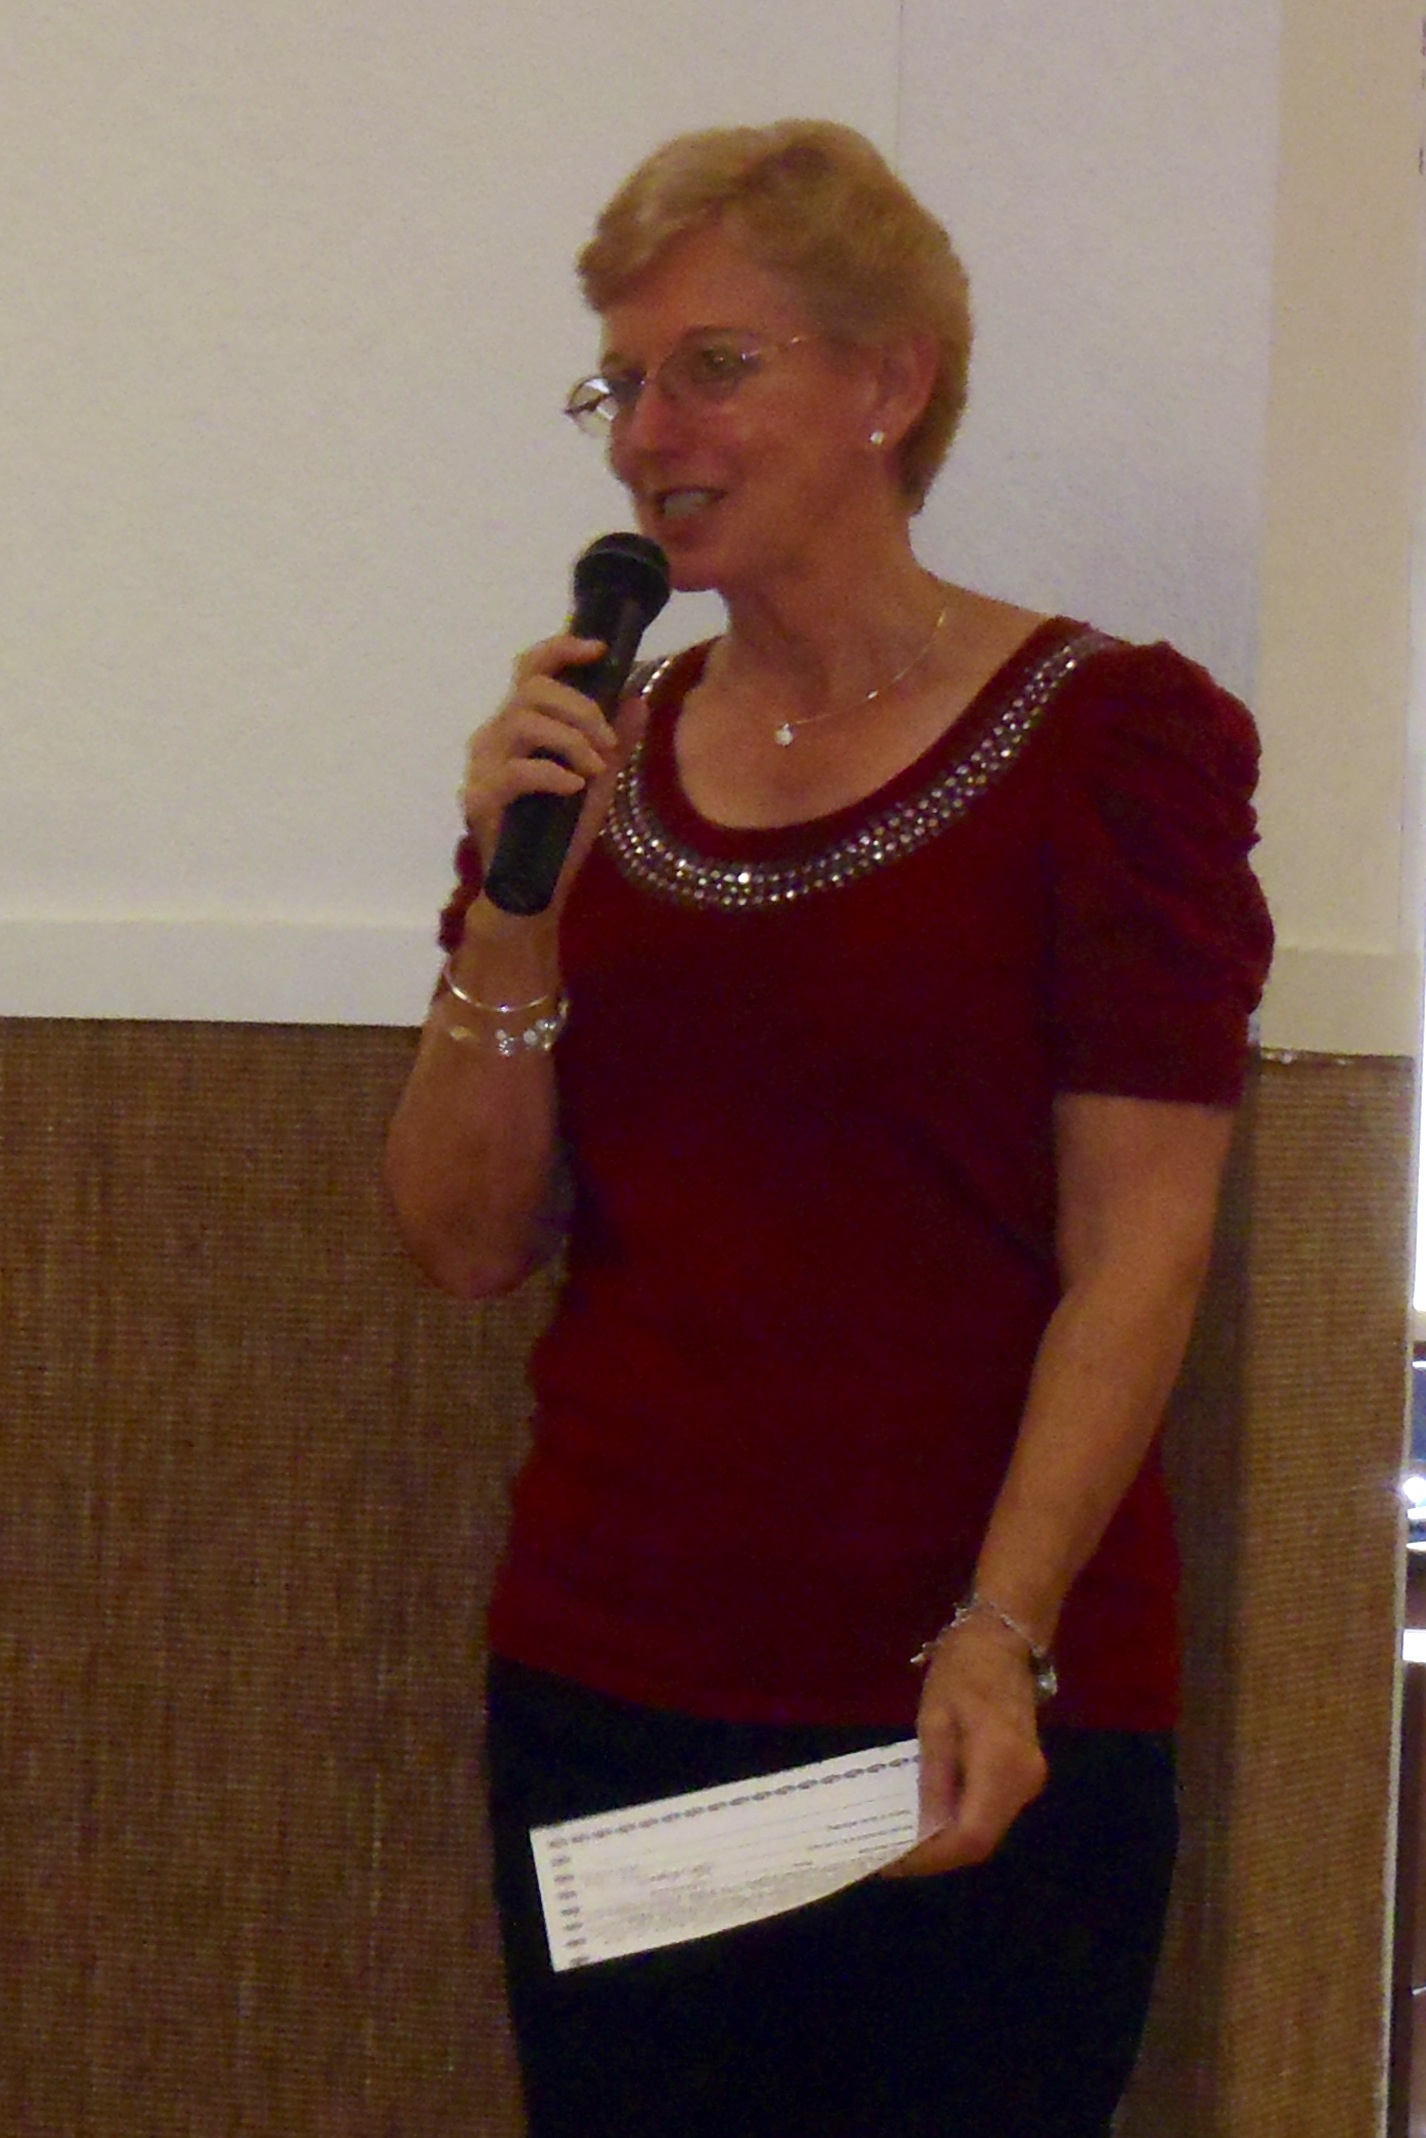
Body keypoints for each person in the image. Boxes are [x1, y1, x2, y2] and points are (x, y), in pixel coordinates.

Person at [384, 119, 1273, 2138]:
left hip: (979, 1705)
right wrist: (515, 905)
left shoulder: (1104, 742)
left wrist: (1000, 1631)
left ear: (887, 381)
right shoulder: (587, 758)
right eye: (621, 382)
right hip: (615, 1683)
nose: (646, 434)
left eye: (712, 365)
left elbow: (1138, 1252)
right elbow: (460, 1236)